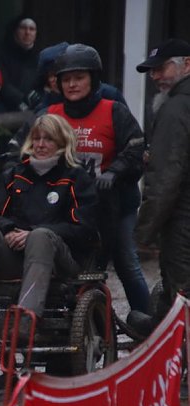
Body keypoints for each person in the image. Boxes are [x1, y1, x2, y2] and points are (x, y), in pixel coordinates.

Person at [0, 114, 99, 341]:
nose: (40, 145)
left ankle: (27, 317)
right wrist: (9, 229)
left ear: (61, 142)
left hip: (60, 259)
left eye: (48, 139)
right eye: (36, 139)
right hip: (17, 256)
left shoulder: (75, 178)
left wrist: (32, 234)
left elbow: (84, 230)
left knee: (40, 236)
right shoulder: (16, 175)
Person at [44, 44, 149, 314]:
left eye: (79, 78)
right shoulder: (52, 114)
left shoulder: (114, 110)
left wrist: (115, 171)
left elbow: (137, 148)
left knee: (125, 260)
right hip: (68, 208)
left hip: (115, 206)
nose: (72, 84)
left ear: (93, 78)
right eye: (66, 79)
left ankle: (147, 323)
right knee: (65, 265)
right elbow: (24, 145)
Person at [131, 38, 190, 331]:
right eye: (151, 71)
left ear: (187, 65)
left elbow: (166, 177)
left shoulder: (176, 108)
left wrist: (144, 230)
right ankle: (158, 329)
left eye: (161, 69)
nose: (154, 77)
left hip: (183, 220)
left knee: (182, 292)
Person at [0, 15, 40, 111]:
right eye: (23, 28)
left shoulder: (38, 56)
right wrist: (20, 99)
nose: (27, 32)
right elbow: (0, 81)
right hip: (2, 107)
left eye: (32, 29)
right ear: (15, 31)